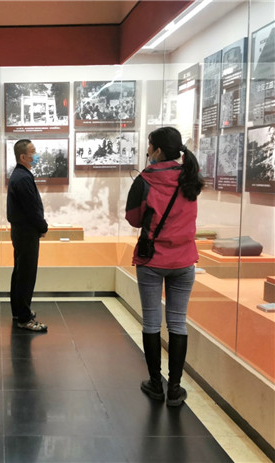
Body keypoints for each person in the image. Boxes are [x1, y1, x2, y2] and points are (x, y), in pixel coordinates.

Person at [125, 126, 204, 407]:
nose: (147, 151)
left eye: (149, 146)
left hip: (152, 259)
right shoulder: (190, 176)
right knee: (177, 323)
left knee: (151, 321)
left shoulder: (145, 179)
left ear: (157, 150)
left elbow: (133, 219)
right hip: (184, 260)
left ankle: (156, 385)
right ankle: (175, 388)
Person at [7, 139, 48, 331]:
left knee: (20, 271)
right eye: (33, 151)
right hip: (26, 231)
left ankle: (19, 311)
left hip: (21, 231)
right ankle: (25, 318)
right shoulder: (22, 178)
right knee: (26, 274)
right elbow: (32, 208)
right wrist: (43, 226)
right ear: (23, 156)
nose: (36, 154)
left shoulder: (20, 175)